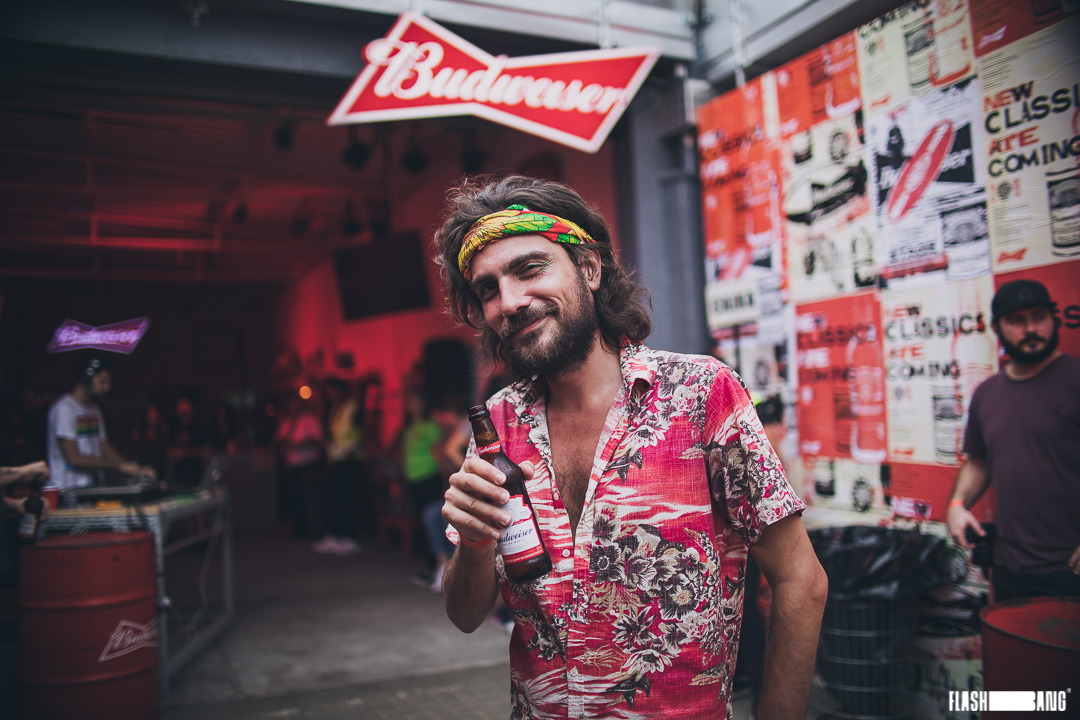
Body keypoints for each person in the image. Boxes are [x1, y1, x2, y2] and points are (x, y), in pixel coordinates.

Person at [434, 176, 827, 719]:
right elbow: (465, 615)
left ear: (589, 268)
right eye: (487, 289)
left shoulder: (700, 395)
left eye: (529, 269)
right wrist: (474, 543)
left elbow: (800, 580)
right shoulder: (497, 425)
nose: (510, 301)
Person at [947, 279, 1080, 602]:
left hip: (1071, 568)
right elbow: (979, 462)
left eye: (1039, 317)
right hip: (1009, 567)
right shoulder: (988, 393)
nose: (1030, 329)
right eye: (1017, 321)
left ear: (1054, 319)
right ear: (997, 328)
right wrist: (957, 505)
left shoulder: (1074, 379)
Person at [45, 355, 156, 495]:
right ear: (86, 378)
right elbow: (73, 458)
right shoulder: (64, 408)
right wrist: (118, 466)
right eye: (102, 381)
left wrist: (135, 468)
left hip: (89, 488)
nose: (107, 387)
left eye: (109, 382)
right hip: (66, 490)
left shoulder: (94, 409)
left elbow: (105, 449)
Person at [312, 378, 363, 555]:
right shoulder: (333, 408)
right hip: (335, 458)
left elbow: (360, 432)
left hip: (350, 459)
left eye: (332, 390)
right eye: (328, 391)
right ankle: (335, 535)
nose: (330, 394)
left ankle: (349, 537)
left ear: (341, 390)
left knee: (347, 499)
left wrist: (351, 450)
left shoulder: (352, 407)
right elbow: (332, 435)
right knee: (333, 498)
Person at [165, 394, 213, 487]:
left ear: (191, 408)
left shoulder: (200, 427)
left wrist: (186, 453)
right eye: (180, 407)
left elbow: (207, 450)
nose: (183, 409)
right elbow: (167, 449)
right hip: (177, 476)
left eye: (185, 406)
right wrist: (173, 453)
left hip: (195, 476)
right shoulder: (172, 427)